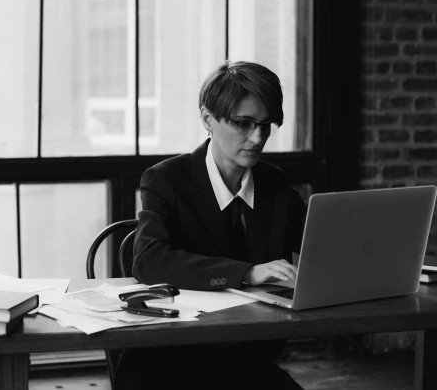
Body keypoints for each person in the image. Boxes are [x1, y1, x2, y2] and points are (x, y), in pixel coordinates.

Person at [113, 60, 307, 390]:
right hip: (167, 359)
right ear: (207, 118)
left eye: (266, 124)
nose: (258, 137)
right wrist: (246, 272)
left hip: (244, 358)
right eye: (243, 123)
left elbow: (319, 246)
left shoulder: (274, 184)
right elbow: (149, 261)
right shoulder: (166, 180)